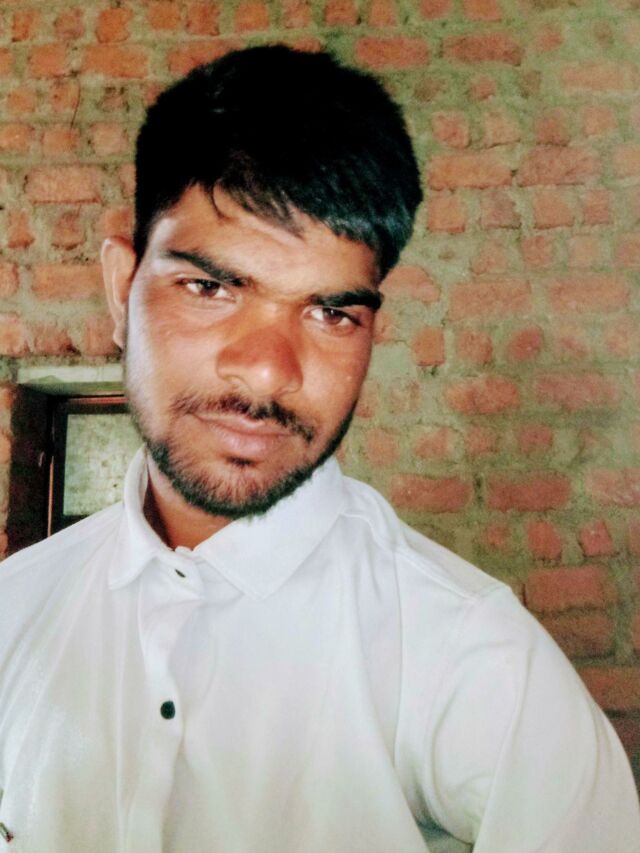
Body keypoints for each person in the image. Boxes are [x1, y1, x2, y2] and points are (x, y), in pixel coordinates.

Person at [0, 45, 637, 853]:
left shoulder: (476, 661)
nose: (269, 369)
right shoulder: (15, 611)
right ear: (121, 290)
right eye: (211, 286)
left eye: (331, 312)